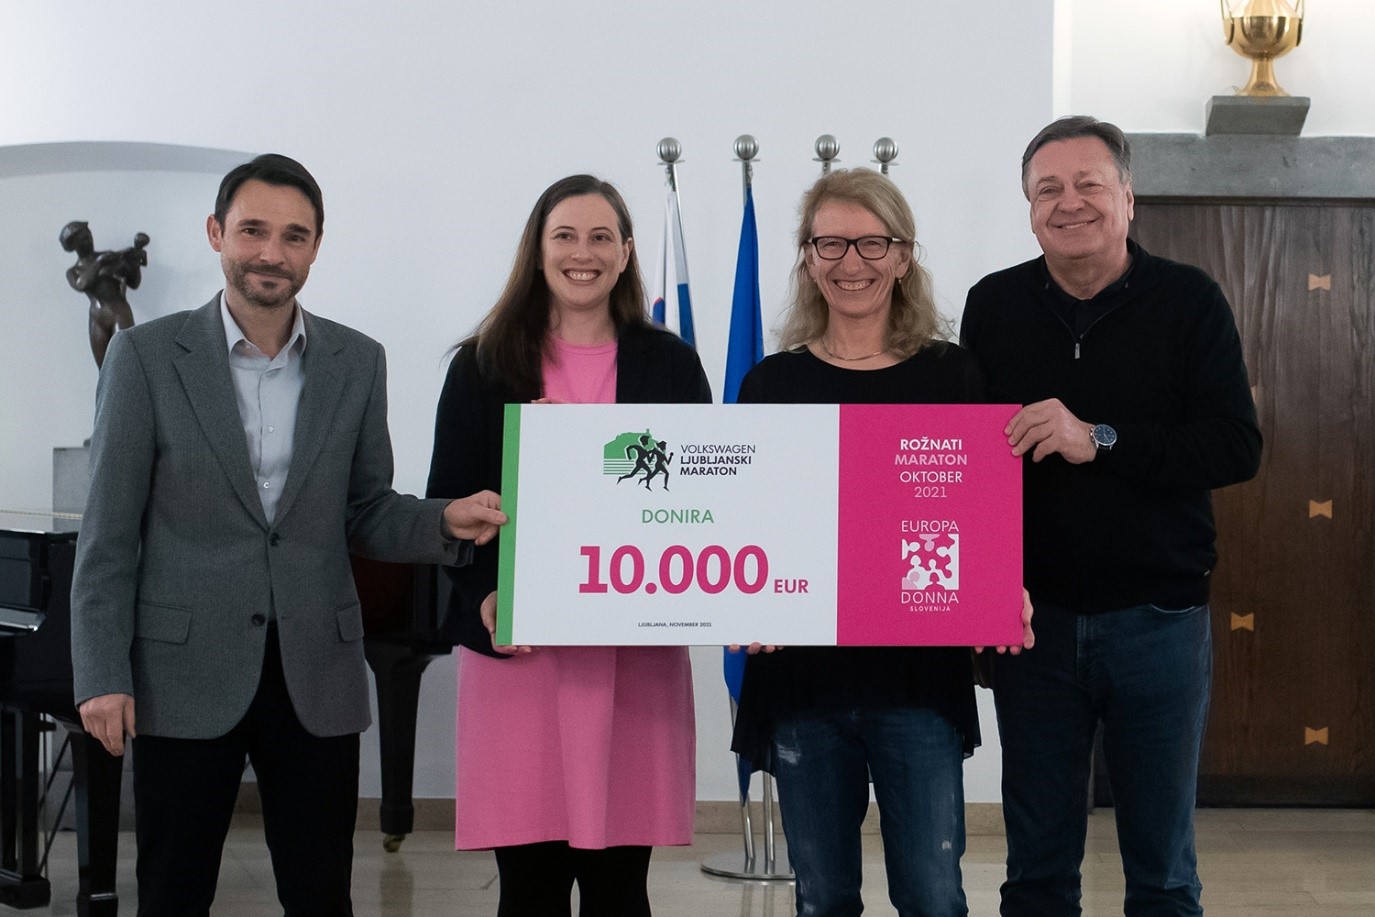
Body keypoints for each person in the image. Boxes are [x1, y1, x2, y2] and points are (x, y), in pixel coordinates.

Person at [70, 153, 507, 916]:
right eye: (253, 230)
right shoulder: (144, 358)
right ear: (216, 233)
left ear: (315, 246)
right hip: (183, 675)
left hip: (317, 674)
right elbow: (108, 534)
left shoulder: (357, 361)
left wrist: (441, 519)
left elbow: (365, 508)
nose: (272, 252)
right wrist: (101, 671)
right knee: (172, 894)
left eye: (294, 235)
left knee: (321, 895)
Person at [960, 116, 1262, 916]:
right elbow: (970, 466)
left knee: (1161, 872)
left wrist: (1097, 437)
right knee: (1035, 871)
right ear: (1029, 209)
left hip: (1158, 618)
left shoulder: (1189, 300)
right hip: (1032, 624)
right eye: (1047, 189)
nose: (1068, 203)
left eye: (1088, 184)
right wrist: (979, 593)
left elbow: (1235, 446)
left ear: (1127, 197)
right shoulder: (991, 304)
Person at [729, 167, 1031, 917]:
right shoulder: (770, 384)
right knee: (823, 897)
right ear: (807, 258)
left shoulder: (953, 375)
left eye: (871, 242)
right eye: (829, 243)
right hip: (802, 679)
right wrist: (740, 600)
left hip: (916, 679)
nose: (850, 262)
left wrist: (999, 584)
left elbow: (978, 513)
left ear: (902, 256)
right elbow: (746, 521)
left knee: (932, 896)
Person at [426, 174, 711, 916]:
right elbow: (445, 508)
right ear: (537, 249)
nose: (582, 253)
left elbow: (700, 503)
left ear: (626, 252)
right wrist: (487, 592)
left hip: (633, 661)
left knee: (621, 890)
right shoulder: (482, 364)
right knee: (530, 890)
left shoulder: (671, 364)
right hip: (520, 659)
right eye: (565, 236)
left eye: (600, 237)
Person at [60, 220, 149, 368]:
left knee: (126, 359)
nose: (89, 241)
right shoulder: (74, 271)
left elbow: (134, 283)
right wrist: (99, 262)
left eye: (89, 236)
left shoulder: (110, 258)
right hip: (97, 318)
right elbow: (81, 284)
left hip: (119, 312)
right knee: (104, 370)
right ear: (74, 245)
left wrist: (134, 263)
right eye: (83, 239)